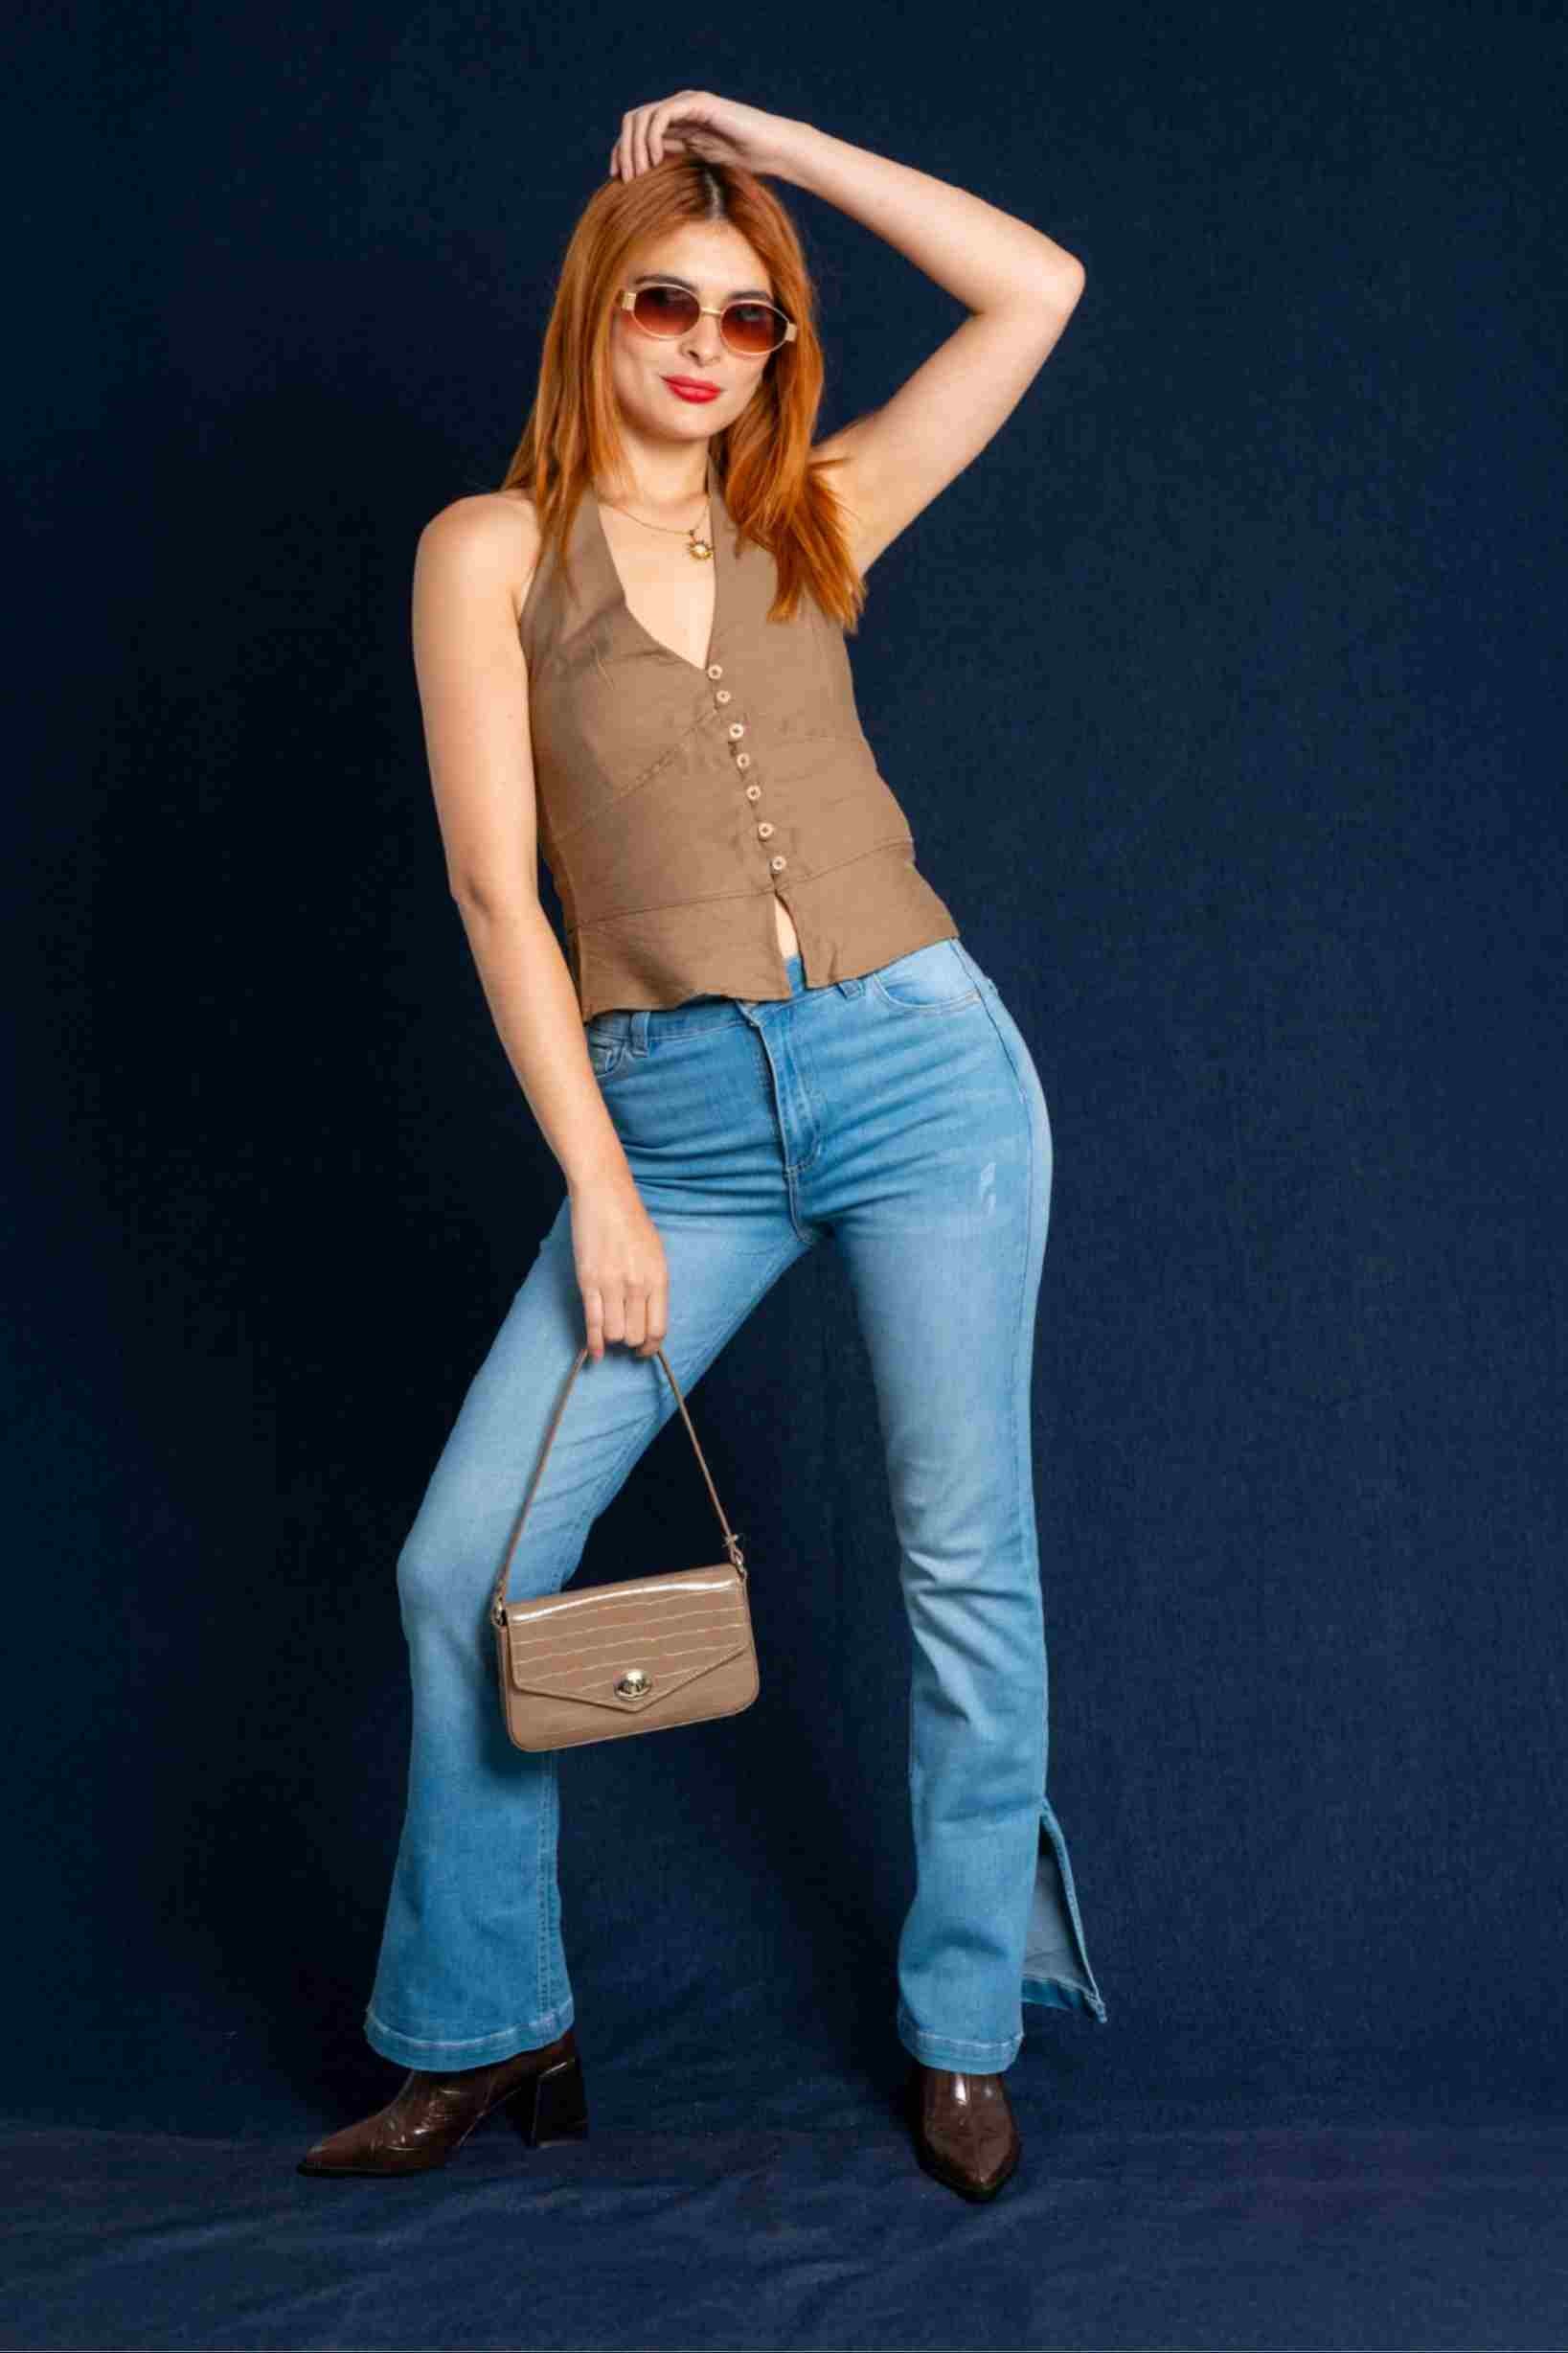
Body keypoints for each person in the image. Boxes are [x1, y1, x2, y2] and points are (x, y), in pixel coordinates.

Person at [299, 90, 1105, 2204]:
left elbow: (1038, 287)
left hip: (924, 1076)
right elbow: (499, 897)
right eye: (667, 299)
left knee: (964, 1564)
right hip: (663, 1121)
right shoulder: (487, 552)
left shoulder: (816, 511)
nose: (705, 346)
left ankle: (965, 2030)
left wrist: (779, 155)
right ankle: (489, 2019)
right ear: (596, 306)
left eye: (750, 320)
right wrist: (600, 1181)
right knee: (464, 1566)